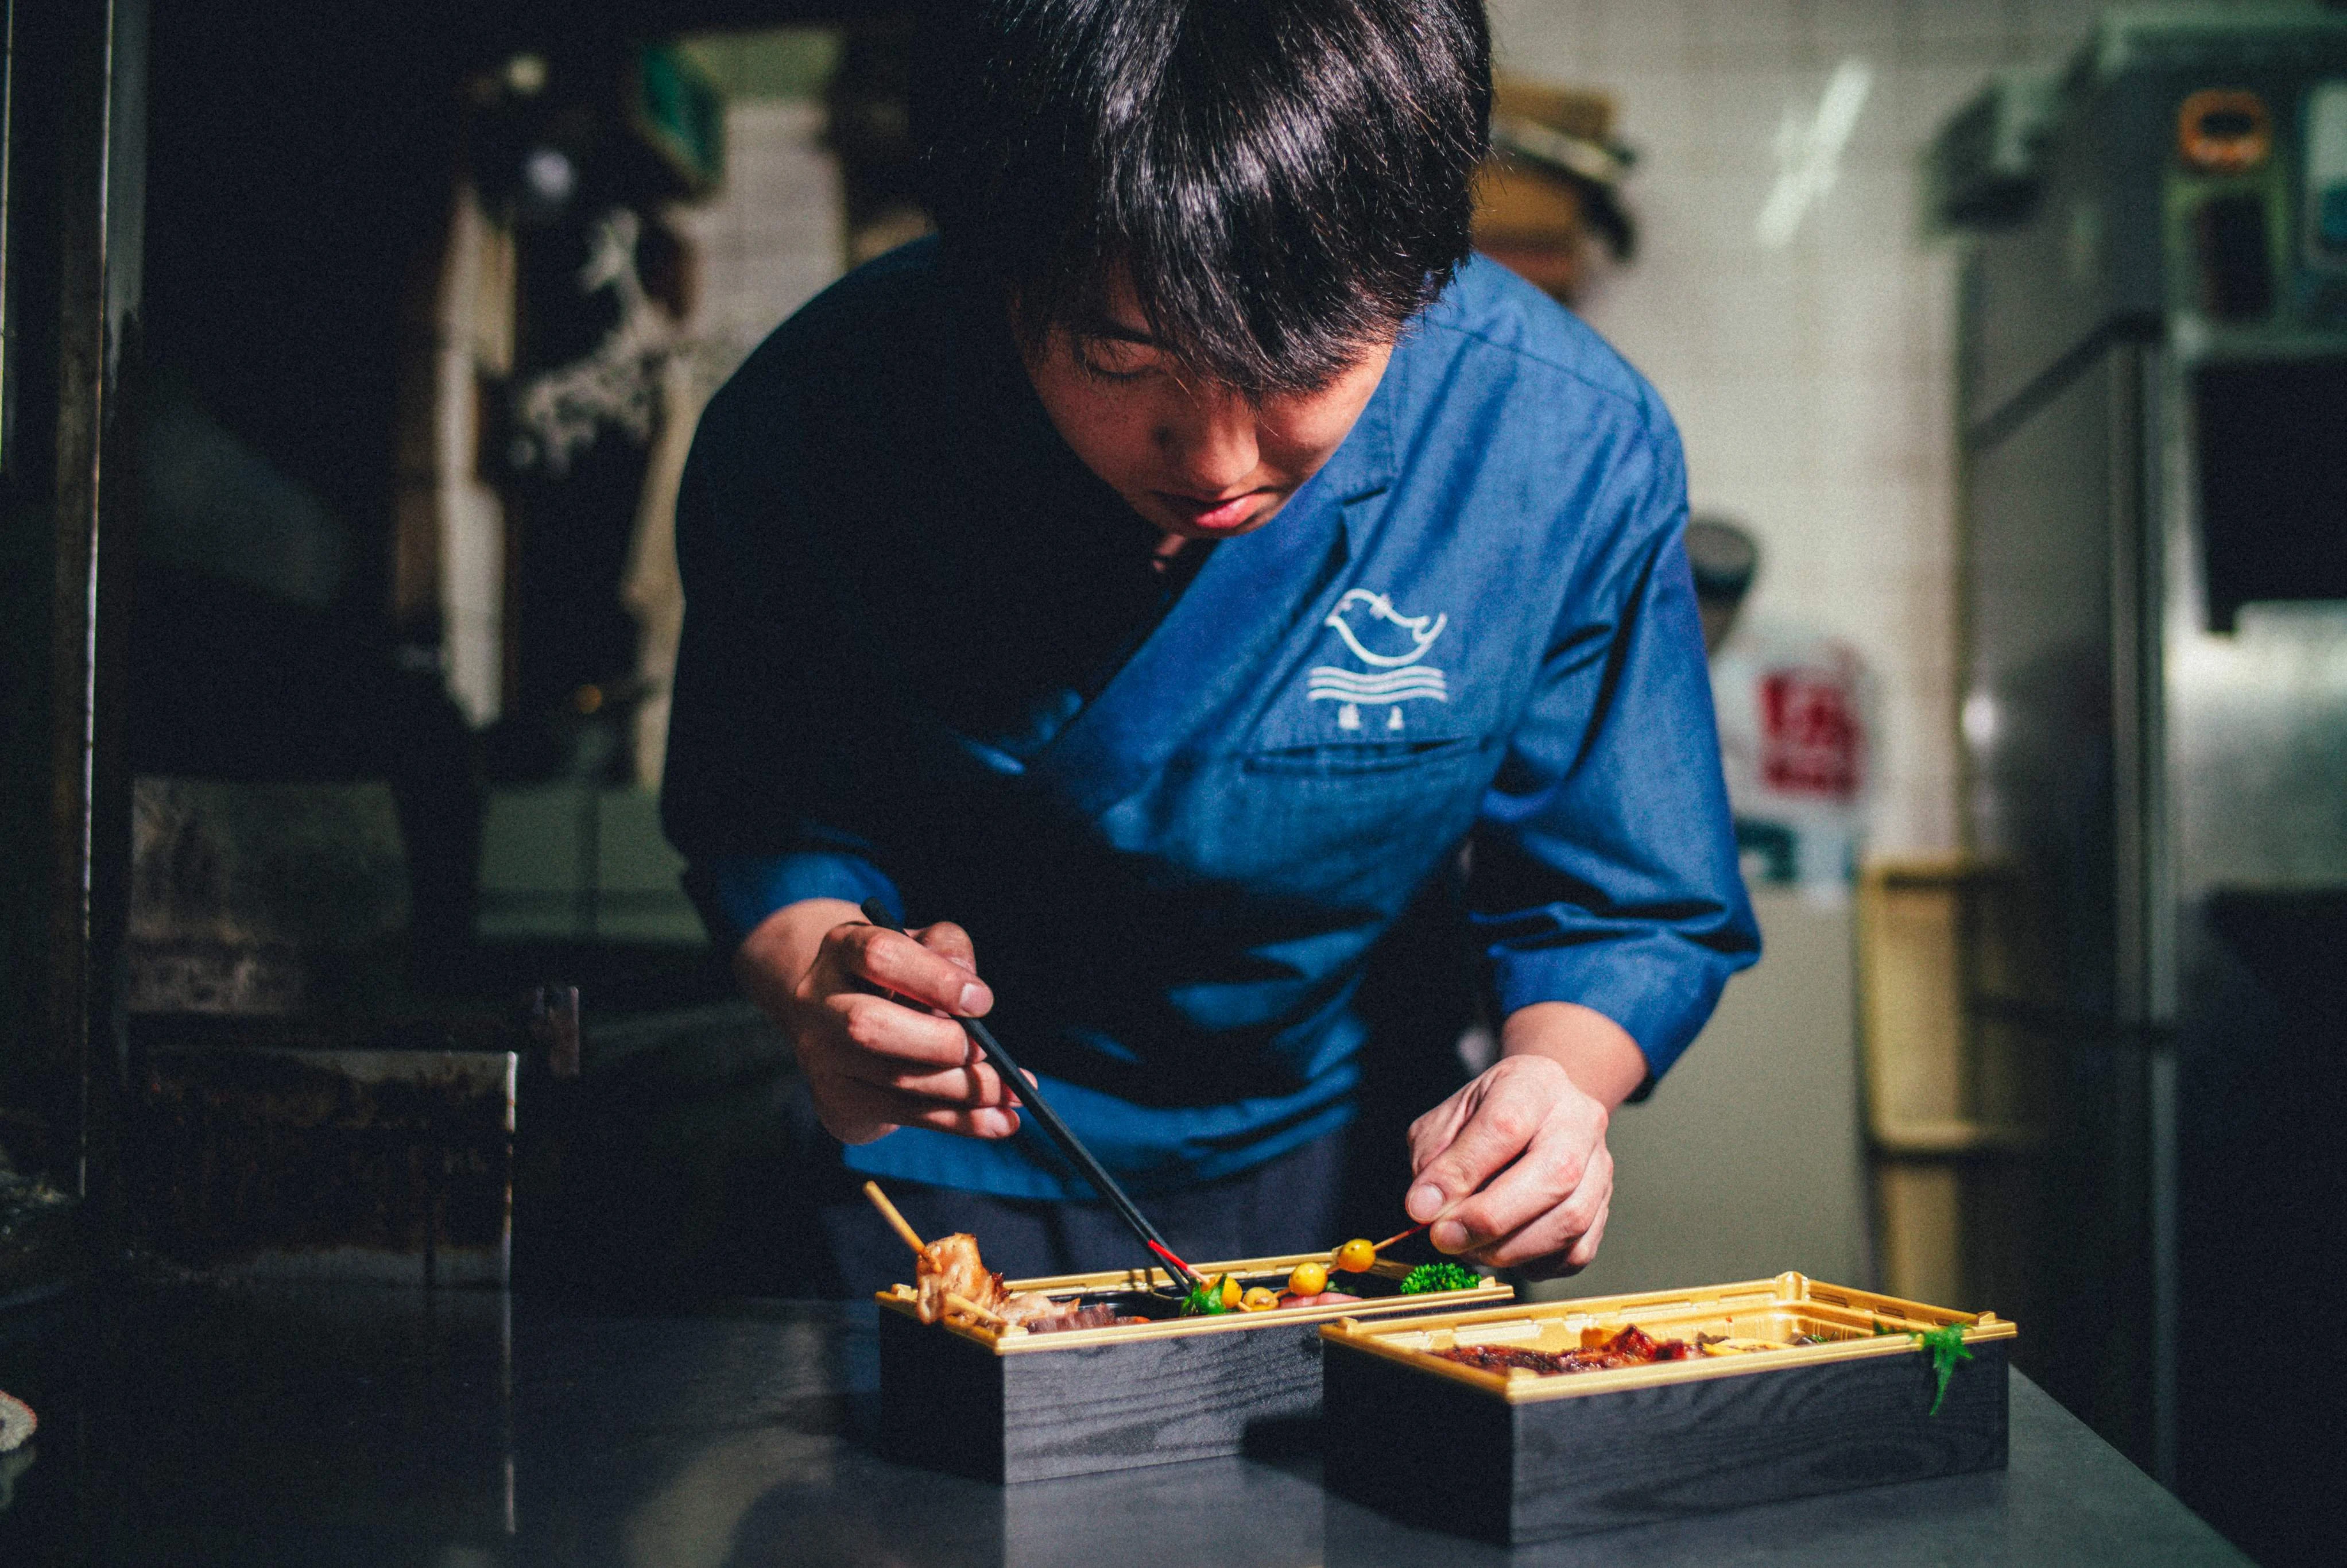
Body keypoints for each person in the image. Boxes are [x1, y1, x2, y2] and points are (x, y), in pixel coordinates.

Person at [661, 0, 1759, 1298]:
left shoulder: (1557, 447)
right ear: (996, 261)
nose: (1220, 464)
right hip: (944, 1154)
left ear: (1418, 273)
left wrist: (1554, 1091)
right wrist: (820, 986)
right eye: (1122, 357)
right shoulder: (815, 423)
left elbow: (1617, 896)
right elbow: (763, 819)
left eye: (1307, 363)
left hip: (1374, 1166)